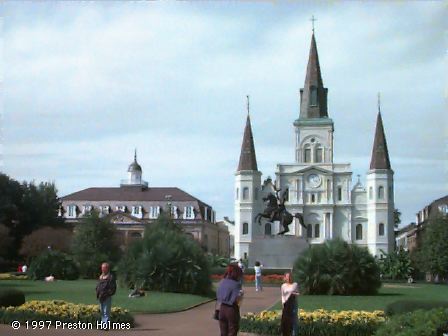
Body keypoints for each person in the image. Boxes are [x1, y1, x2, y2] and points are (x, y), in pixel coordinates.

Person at [217, 263, 244, 336]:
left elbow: (218, 298)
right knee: (232, 331)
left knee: (223, 332)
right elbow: (237, 300)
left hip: (222, 309)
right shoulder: (236, 284)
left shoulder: (222, 282)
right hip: (232, 309)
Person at [95, 262, 116, 328]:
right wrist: (97, 291)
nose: (102, 269)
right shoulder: (101, 277)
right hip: (101, 296)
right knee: (102, 311)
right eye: (102, 268)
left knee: (106, 311)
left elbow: (113, 288)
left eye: (104, 268)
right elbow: (98, 286)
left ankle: (106, 325)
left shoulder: (110, 277)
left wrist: (107, 293)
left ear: (107, 268)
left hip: (106, 297)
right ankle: (103, 324)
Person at [280, 272, 299, 336]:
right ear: (285, 278)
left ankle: (294, 334)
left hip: (293, 304)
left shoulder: (295, 284)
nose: (289, 278)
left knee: (293, 320)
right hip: (286, 305)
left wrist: (293, 294)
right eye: (287, 277)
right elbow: (282, 295)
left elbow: (298, 293)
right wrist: (283, 303)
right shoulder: (283, 286)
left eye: (290, 277)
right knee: (286, 320)